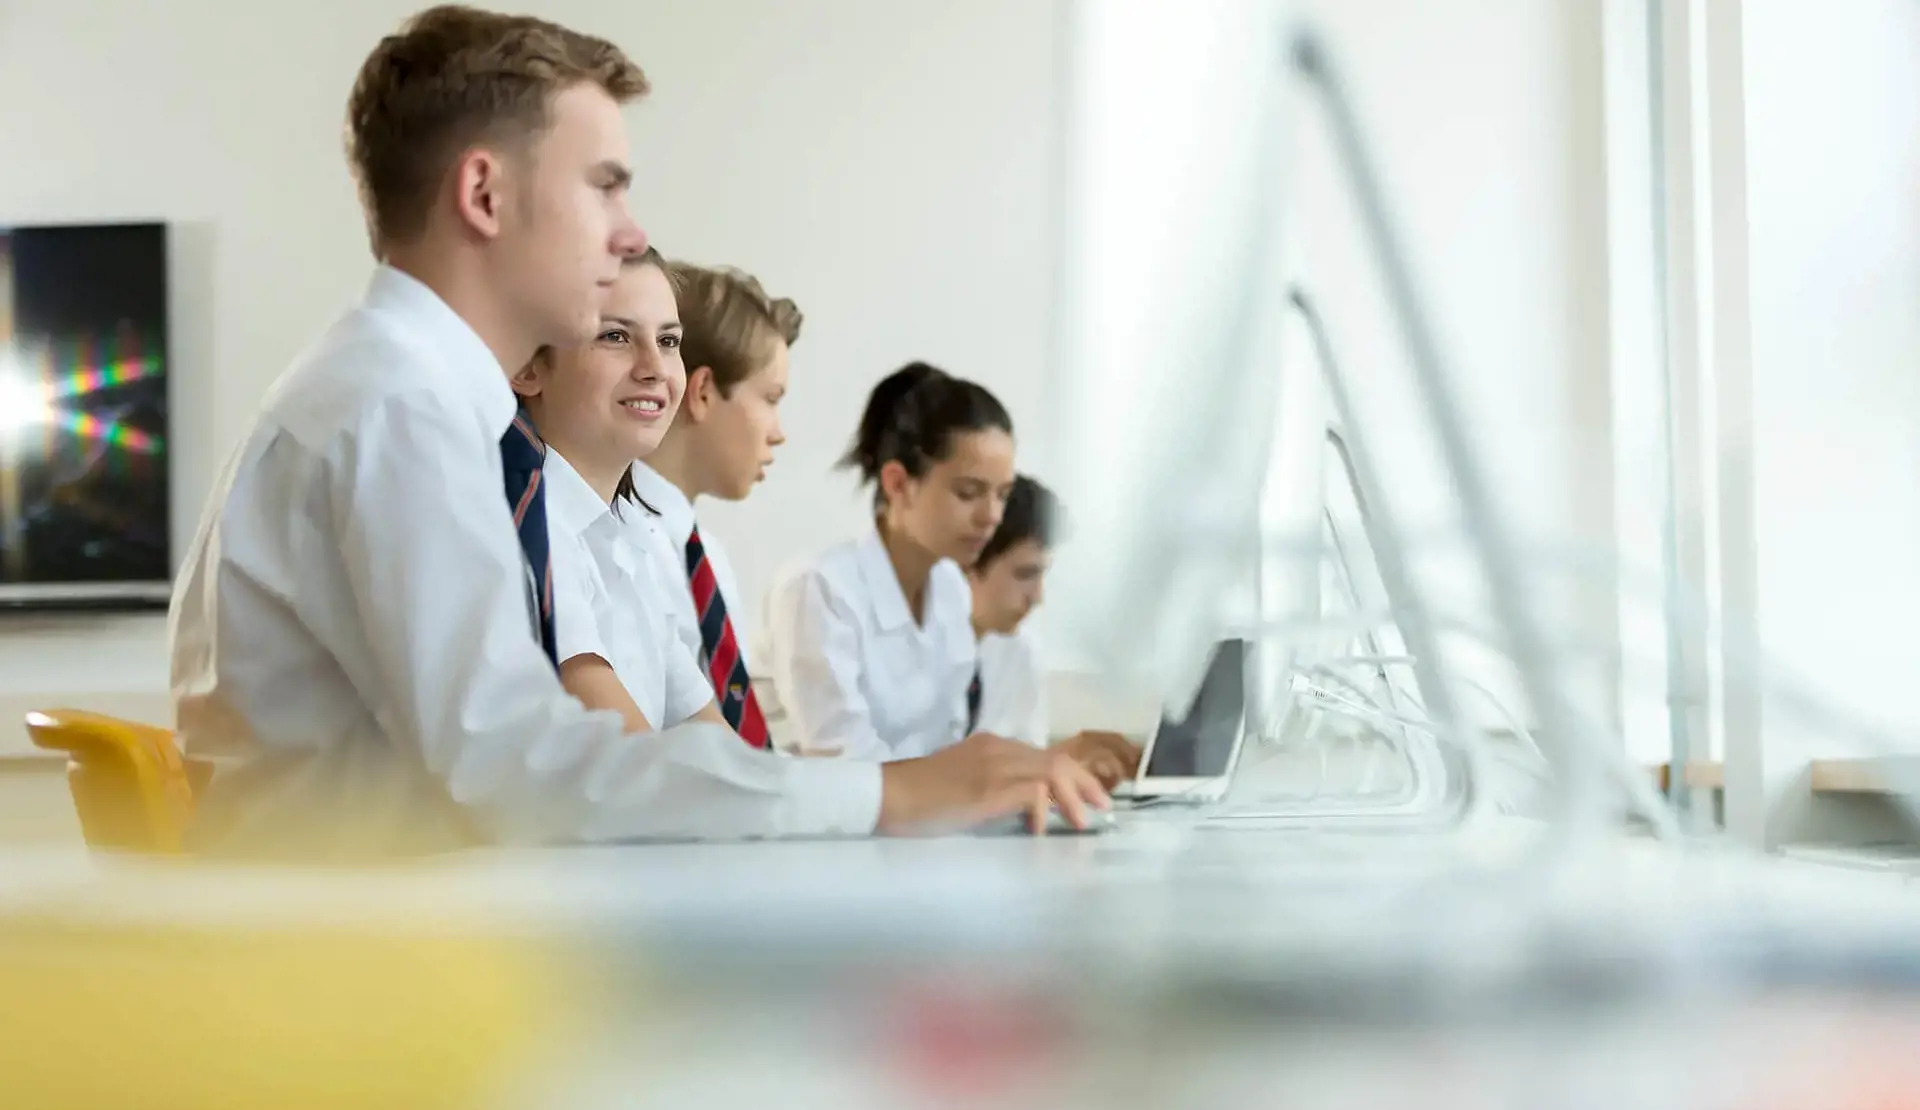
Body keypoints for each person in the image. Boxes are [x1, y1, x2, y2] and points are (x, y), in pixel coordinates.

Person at [167, 5, 1105, 857]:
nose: (629, 234)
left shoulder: (423, 402)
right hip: (343, 971)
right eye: (604, 188)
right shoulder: (395, 411)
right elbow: (524, 772)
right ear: (485, 196)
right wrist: (886, 792)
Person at [509, 247, 735, 739]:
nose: (655, 366)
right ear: (527, 366)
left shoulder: (639, 534)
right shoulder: (524, 530)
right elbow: (631, 762)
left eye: (669, 340)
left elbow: (713, 744)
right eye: (615, 336)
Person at [762, 362, 1016, 763]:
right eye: (969, 492)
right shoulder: (820, 588)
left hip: (926, 820)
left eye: (1003, 494)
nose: (993, 516)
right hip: (824, 821)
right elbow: (844, 766)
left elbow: (946, 748)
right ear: (898, 484)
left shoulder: (950, 588)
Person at [623, 260, 799, 747]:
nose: (778, 432)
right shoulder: (622, 547)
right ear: (701, 392)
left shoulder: (709, 560)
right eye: (770, 398)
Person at [967, 475, 1141, 787]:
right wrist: (1045, 764)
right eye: (1024, 574)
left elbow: (1024, 804)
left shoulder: (1019, 655)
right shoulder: (899, 658)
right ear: (967, 567)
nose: (1037, 597)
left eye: (1041, 575)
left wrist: (1069, 786)